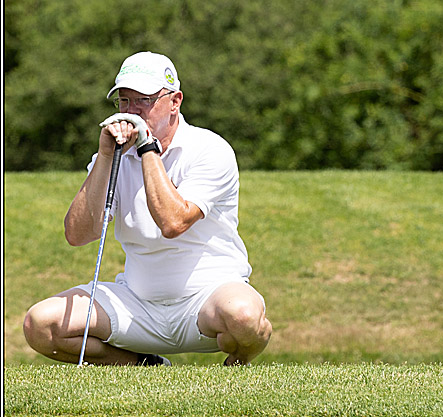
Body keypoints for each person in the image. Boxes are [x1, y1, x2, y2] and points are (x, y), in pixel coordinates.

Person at [23, 51, 272, 366]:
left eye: (143, 101)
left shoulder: (210, 149)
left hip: (207, 301)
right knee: (40, 325)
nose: (131, 113)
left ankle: (239, 361)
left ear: (174, 102)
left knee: (245, 316)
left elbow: (173, 222)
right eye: (124, 103)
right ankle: (144, 364)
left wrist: (147, 149)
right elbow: (78, 234)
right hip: (137, 303)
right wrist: (105, 155)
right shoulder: (113, 155)